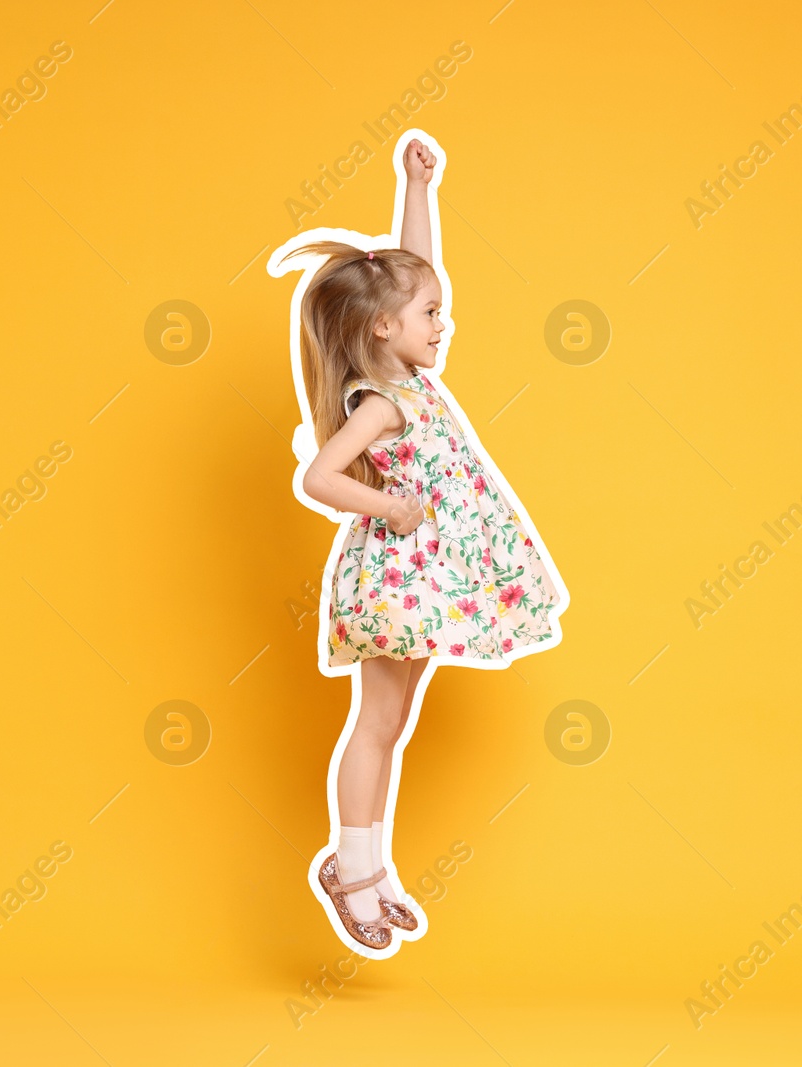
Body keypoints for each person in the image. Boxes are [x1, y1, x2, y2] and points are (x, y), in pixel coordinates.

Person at [270, 134, 568, 957]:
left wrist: (416, 187)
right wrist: (391, 506)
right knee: (375, 721)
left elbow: (411, 269)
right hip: (399, 578)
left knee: (392, 721)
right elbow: (321, 479)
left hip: (430, 579)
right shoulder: (382, 403)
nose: (444, 322)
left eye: (439, 309)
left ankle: (370, 860)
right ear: (383, 328)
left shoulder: (412, 380)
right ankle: (351, 866)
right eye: (432, 315)